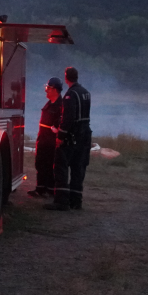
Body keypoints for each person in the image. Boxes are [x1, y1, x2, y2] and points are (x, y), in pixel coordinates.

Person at [46, 66, 92, 211]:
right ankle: (76, 201)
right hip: (85, 137)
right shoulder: (86, 93)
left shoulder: (70, 95)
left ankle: (61, 201)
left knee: (61, 167)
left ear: (66, 78)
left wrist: (60, 136)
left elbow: (68, 118)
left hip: (72, 137)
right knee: (78, 169)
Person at [28, 77, 63, 198]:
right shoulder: (49, 103)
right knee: (40, 163)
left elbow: (63, 123)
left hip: (51, 142)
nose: (46, 90)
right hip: (43, 140)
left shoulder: (61, 106)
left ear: (55, 89)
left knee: (50, 165)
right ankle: (40, 189)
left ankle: (50, 190)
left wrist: (57, 131)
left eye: (48, 88)